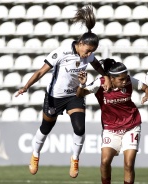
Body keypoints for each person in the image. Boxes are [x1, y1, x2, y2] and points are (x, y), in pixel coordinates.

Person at [15, 5, 111, 178]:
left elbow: (96, 64)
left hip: (74, 96)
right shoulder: (62, 52)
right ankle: (35, 154)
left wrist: (107, 76)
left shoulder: (88, 55)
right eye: (88, 50)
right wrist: (26, 87)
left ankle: (75, 159)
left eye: (92, 52)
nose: (89, 54)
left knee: (80, 128)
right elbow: (40, 72)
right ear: (80, 43)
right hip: (55, 97)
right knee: (45, 128)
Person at [76, 58, 148, 184]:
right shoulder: (100, 84)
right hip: (111, 129)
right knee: (105, 162)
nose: (124, 82)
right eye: (120, 79)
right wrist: (82, 84)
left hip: (131, 125)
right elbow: (79, 94)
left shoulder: (129, 81)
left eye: (125, 78)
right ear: (111, 78)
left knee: (129, 164)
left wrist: (147, 94)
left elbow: (146, 88)